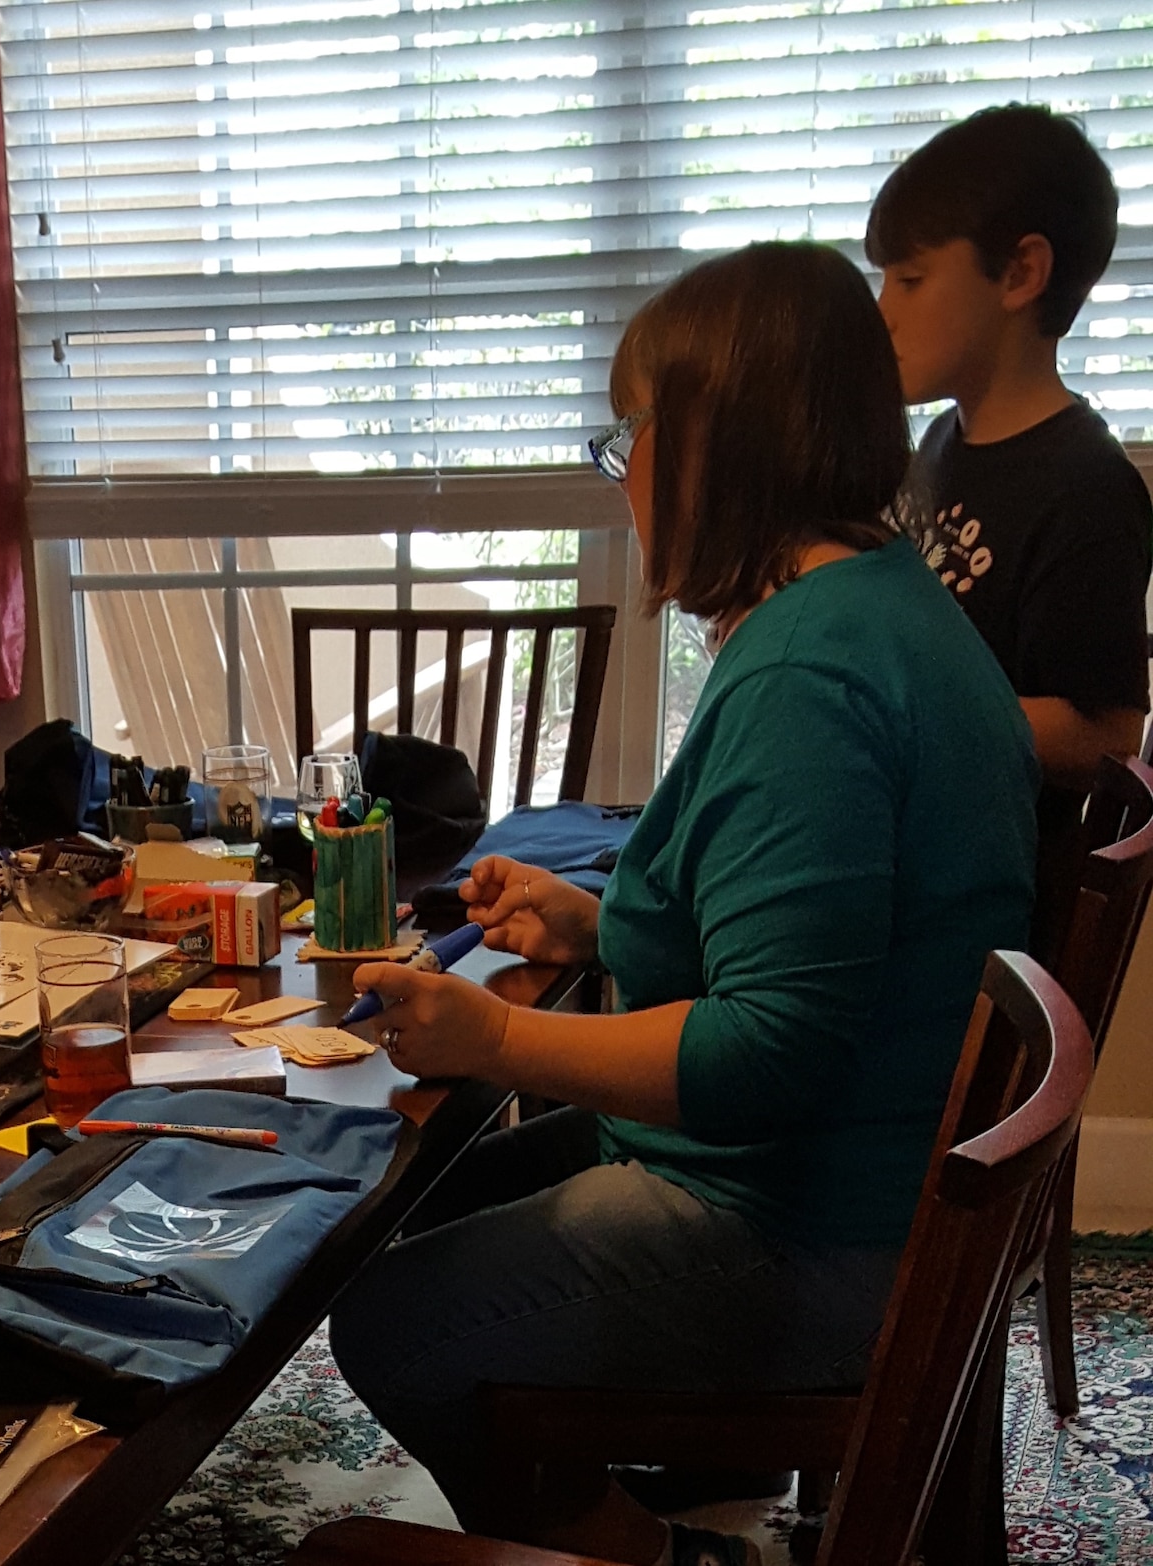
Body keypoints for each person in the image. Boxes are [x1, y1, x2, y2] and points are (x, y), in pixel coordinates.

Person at [326, 243, 1038, 1566]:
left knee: (384, 1317)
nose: (624, 475)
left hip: (813, 1232)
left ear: (711, 434)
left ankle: (651, 1552)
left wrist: (491, 1040)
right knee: (409, 1204)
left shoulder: (806, 676)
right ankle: (633, 1495)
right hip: (869, 1192)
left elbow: (766, 1052)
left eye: (628, 435)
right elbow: (815, 935)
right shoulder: (877, 610)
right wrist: (598, 925)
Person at [868, 105, 1152, 952]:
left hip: (977, 920)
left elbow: (1107, 733)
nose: (882, 311)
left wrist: (901, 711)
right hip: (905, 869)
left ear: (1021, 273)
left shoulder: (1087, 486)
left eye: (910, 281)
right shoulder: (939, 443)